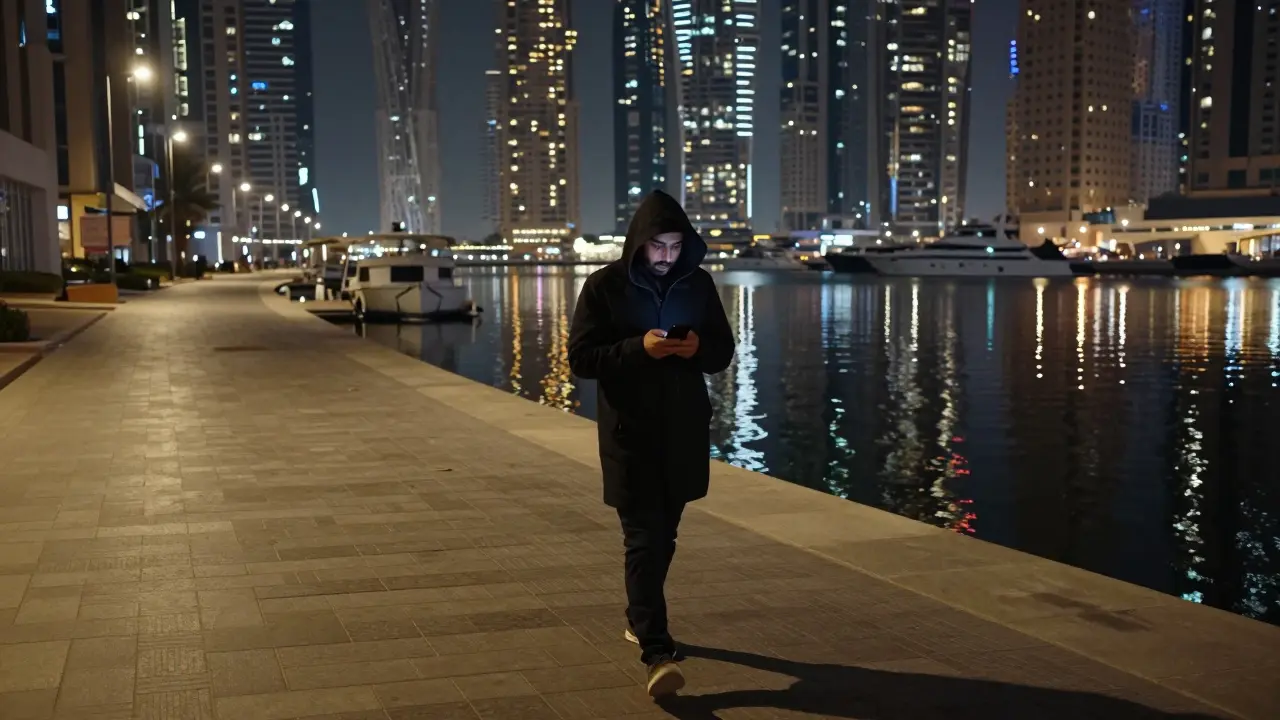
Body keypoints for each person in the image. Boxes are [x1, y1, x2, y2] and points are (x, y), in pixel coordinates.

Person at [568, 189, 735, 698]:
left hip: (683, 431)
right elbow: (582, 358)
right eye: (657, 246)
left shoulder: (699, 284)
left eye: (674, 246)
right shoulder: (604, 288)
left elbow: (722, 351)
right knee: (643, 537)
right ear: (638, 244)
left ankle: (638, 616)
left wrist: (696, 347)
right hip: (630, 434)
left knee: (665, 538)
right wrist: (637, 349)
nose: (666, 256)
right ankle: (657, 652)